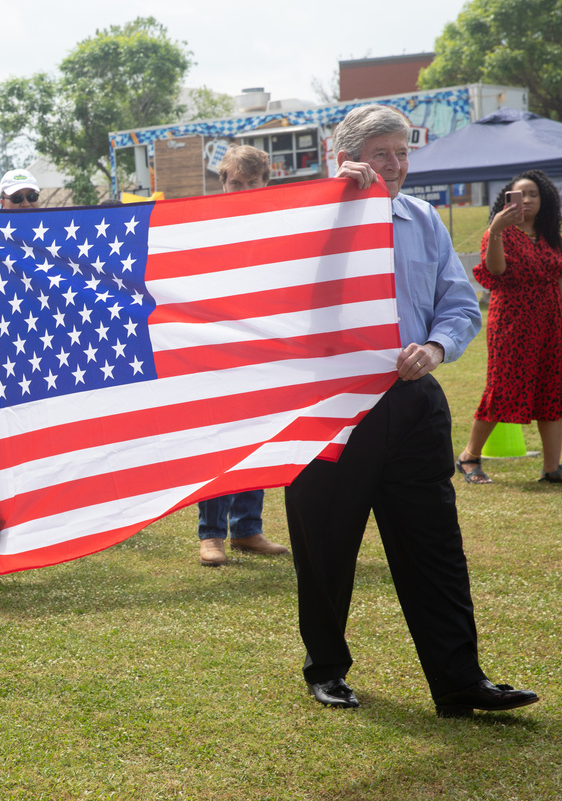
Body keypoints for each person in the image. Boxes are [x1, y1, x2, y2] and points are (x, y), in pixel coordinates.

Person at [285, 104, 539, 717]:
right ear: (343, 156)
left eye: (403, 152)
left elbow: (459, 304)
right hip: (333, 409)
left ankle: (459, 680)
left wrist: (435, 346)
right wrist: (335, 200)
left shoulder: (423, 219)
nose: (397, 165)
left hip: (415, 408)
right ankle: (325, 667)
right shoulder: (307, 219)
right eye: (382, 154)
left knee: (436, 547)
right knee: (326, 545)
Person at [196, 146, 289, 566]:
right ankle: (211, 533)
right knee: (219, 442)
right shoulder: (201, 227)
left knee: (261, 435)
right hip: (215, 350)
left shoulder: (283, 226)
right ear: (223, 183)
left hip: (264, 349)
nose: (246, 190)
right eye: (237, 183)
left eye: (254, 183)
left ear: (266, 183)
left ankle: (248, 528)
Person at [455, 169, 562, 485]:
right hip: (512, 323)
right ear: (506, 201)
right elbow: (496, 270)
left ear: (545, 200)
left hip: (550, 323)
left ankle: (552, 467)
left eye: (533, 194)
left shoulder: (549, 235)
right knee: (503, 388)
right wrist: (498, 229)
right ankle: (469, 456)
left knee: (551, 389)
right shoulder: (498, 232)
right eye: (520, 195)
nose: (527, 200)